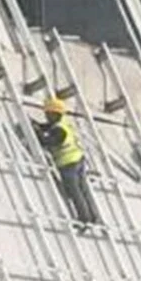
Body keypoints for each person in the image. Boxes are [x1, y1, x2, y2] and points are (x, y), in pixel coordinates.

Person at [34, 96, 101, 229]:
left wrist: (39, 134)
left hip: (69, 163)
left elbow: (50, 141)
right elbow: (48, 127)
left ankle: (84, 218)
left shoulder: (59, 130)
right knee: (84, 190)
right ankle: (93, 216)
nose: (46, 116)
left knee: (74, 190)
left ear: (54, 113)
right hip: (78, 160)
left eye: (48, 113)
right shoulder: (62, 124)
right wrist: (38, 126)